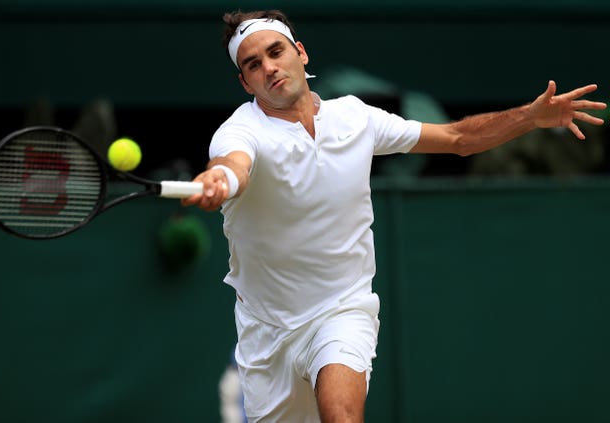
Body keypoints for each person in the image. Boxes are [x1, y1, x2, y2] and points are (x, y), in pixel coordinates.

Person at [182, 9, 607, 423]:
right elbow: (233, 165)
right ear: (244, 82)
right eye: (253, 64)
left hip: (341, 309)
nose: (270, 68)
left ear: (301, 52)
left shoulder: (355, 117)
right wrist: (220, 179)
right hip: (267, 332)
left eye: (276, 52)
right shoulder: (241, 130)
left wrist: (529, 118)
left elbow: (457, 138)